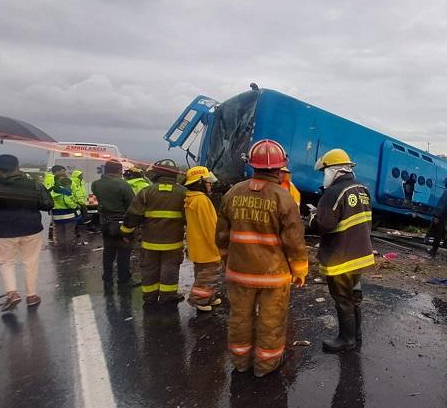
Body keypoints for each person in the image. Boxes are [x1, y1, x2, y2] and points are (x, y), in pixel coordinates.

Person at [216, 139, 308, 377]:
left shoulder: (232, 193)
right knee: (271, 319)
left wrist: (227, 260)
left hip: (239, 273)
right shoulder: (284, 198)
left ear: (252, 165)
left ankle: (240, 361)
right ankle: (265, 365)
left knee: (239, 317)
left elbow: (222, 236)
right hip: (273, 277)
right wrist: (299, 271)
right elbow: (294, 242)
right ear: (280, 168)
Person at [0, 154, 53, 311]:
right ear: (17, 167)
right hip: (31, 228)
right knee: (31, 262)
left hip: (5, 230)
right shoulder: (33, 184)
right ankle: (32, 296)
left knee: (6, 262)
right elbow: (48, 204)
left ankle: (12, 294)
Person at [311, 148, 374, 352]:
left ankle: (346, 340)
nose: (324, 176)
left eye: (324, 171)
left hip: (340, 258)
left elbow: (325, 225)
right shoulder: (362, 189)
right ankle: (356, 335)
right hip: (360, 254)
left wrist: (313, 217)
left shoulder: (334, 192)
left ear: (333, 170)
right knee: (354, 296)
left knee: (342, 298)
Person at [121, 159, 187, 307]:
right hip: (173, 242)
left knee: (149, 268)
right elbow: (189, 218)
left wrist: (126, 232)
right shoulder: (183, 193)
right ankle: (168, 296)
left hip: (149, 242)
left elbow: (133, 215)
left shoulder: (146, 192)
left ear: (156, 174)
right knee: (170, 268)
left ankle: (149, 297)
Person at [184, 166, 224, 312]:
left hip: (198, 246)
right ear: (200, 182)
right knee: (208, 275)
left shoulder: (191, 198)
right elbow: (210, 227)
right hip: (207, 247)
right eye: (207, 181)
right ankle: (199, 300)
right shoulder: (201, 200)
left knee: (203, 274)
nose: (210, 184)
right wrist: (217, 247)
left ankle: (210, 297)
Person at [92, 160, 138, 289]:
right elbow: (132, 204)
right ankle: (124, 280)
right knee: (123, 252)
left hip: (105, 222)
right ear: (119, 170)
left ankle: (107, 277)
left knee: (108, 251)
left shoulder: (96, 184)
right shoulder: (123, 185)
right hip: (121, 223)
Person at [428, 176, 447, 255]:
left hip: (444, 217)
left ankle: (433, 251)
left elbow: (442, 205)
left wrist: (437, 216)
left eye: (445, 183)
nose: (444, 184)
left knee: (438, 234)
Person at [50, 176, 80, 252]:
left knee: (59, 232)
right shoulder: (66, 192)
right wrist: (76, 206)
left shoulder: (53, 191)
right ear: (68, 184)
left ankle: (60, 247)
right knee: (69, 232)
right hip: (68, 215)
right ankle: (69, 248)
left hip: (56, 215)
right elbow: (69, 203)